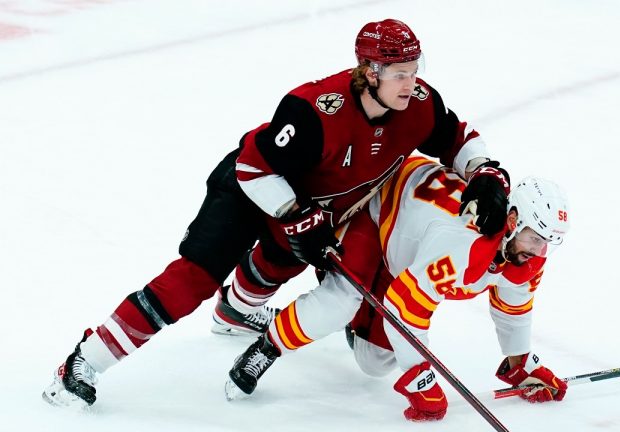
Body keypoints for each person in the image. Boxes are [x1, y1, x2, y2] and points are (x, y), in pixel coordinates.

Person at [43, 19, 510, 409]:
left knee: (284, 258)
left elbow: (457, 139)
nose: (413, 83)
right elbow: (253, 166)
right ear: (369, 72)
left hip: (310, 207)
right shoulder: (314, 109)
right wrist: (296, 214)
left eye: (415, 69)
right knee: (193, 280)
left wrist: (485, 171)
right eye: (401, 74)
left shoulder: (419, 106)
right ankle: (85, 360)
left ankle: (235, 312)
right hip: (250, 190)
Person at [224, 157, 571, 422]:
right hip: (376, 214)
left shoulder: (521, 252)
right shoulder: (460, 245)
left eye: (547, 245)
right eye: (536, 239)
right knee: (339, 302)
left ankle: (361, 314)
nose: (539, 252)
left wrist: (520, 363)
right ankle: (267, 348)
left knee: (374, 362)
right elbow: (407, 310)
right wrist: (420, 377)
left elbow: (512, 310)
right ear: (512, 221)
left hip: (408, 248)